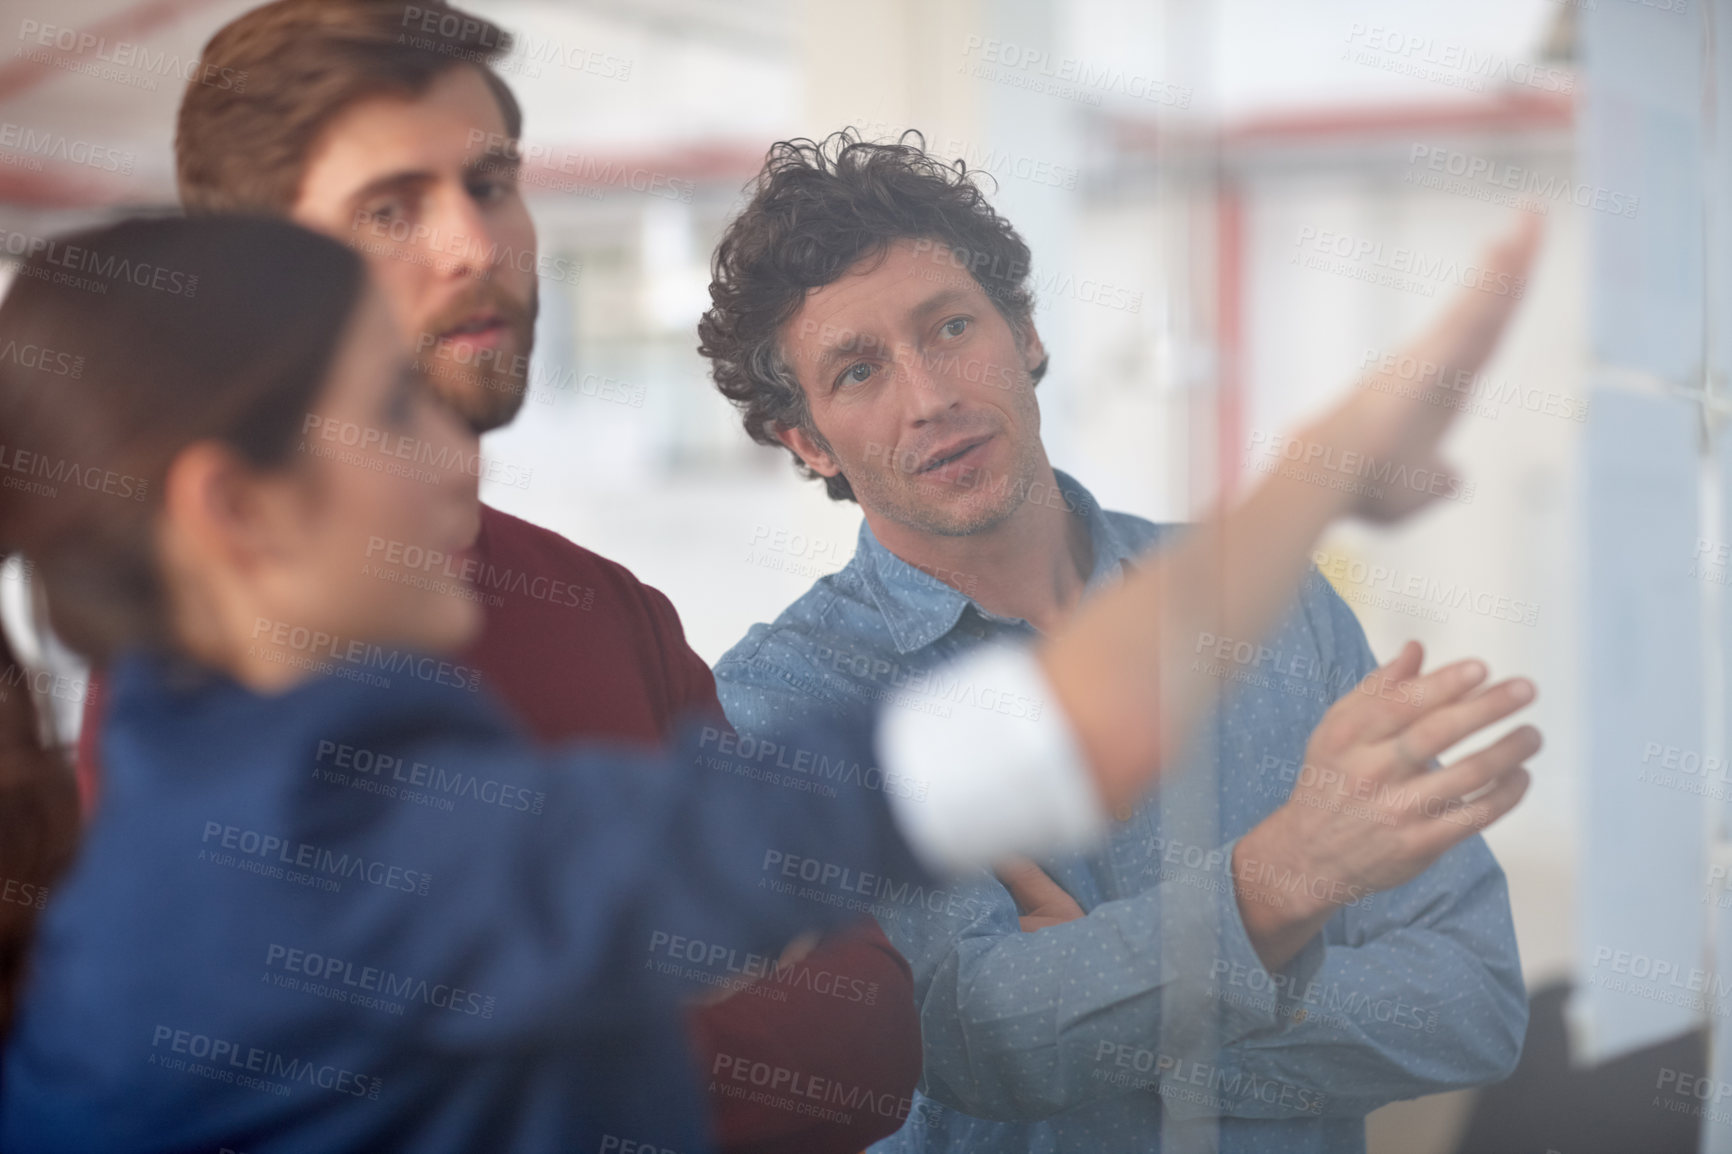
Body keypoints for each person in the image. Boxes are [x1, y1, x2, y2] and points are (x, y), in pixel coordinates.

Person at [0, 212, 1535, 1152]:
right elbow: (979, 980)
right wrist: (1322, 481)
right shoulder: (305, 858)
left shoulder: (346, 763)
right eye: (388, 408)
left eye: (952, 328)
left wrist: (1122, 970)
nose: (457, 451)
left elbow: (1468, 1000)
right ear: (237, 511)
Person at [72, 3, 921, 1149]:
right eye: (389, 208)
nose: (472, 245)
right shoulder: (193, 691)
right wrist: (665, 970)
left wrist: (532, 1011)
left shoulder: (608, 607)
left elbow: (866, 1036)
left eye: (488, 182)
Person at [699, 131, 1542, 1153]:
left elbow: (1475, 996)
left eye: (951, 326)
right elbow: (964, 1044)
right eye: (859, 369)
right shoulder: (782, 701)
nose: (929, 397)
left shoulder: (1272, 604)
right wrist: (1282, 884)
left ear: (1027, 333)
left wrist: (1110, 991)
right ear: (808, 439)